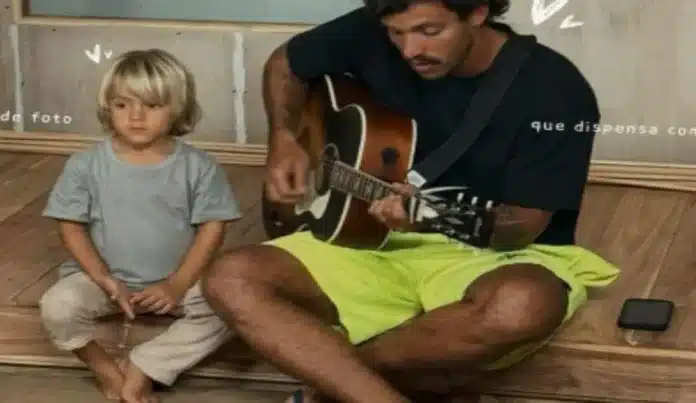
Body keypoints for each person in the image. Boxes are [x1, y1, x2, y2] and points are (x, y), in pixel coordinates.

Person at [202, 1, 621, 402]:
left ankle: (335, 383)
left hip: (495, 254)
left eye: (429, 31)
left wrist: (426, 219)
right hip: (371, 237)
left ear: (477, 12)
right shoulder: (372, 31)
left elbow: (519, 228)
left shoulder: (555, 90)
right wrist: (285, 139)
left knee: (522, 305)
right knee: (231, 277)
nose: (409, 50)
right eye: (396, 33)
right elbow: (285, 64)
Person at [38, 49, 242, 403]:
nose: (135, 117)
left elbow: (213, 227)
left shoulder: (199, 167)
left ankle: (145, 366)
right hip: (104, 281)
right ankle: (103, 368)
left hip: (177, 282)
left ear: (178, 108)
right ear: (107, 108)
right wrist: (103, 278)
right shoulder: (86, 165)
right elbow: (69, 226)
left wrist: (178, 284)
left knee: (234, 306)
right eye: (122, 105)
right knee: (57, 306)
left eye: (151, 105)